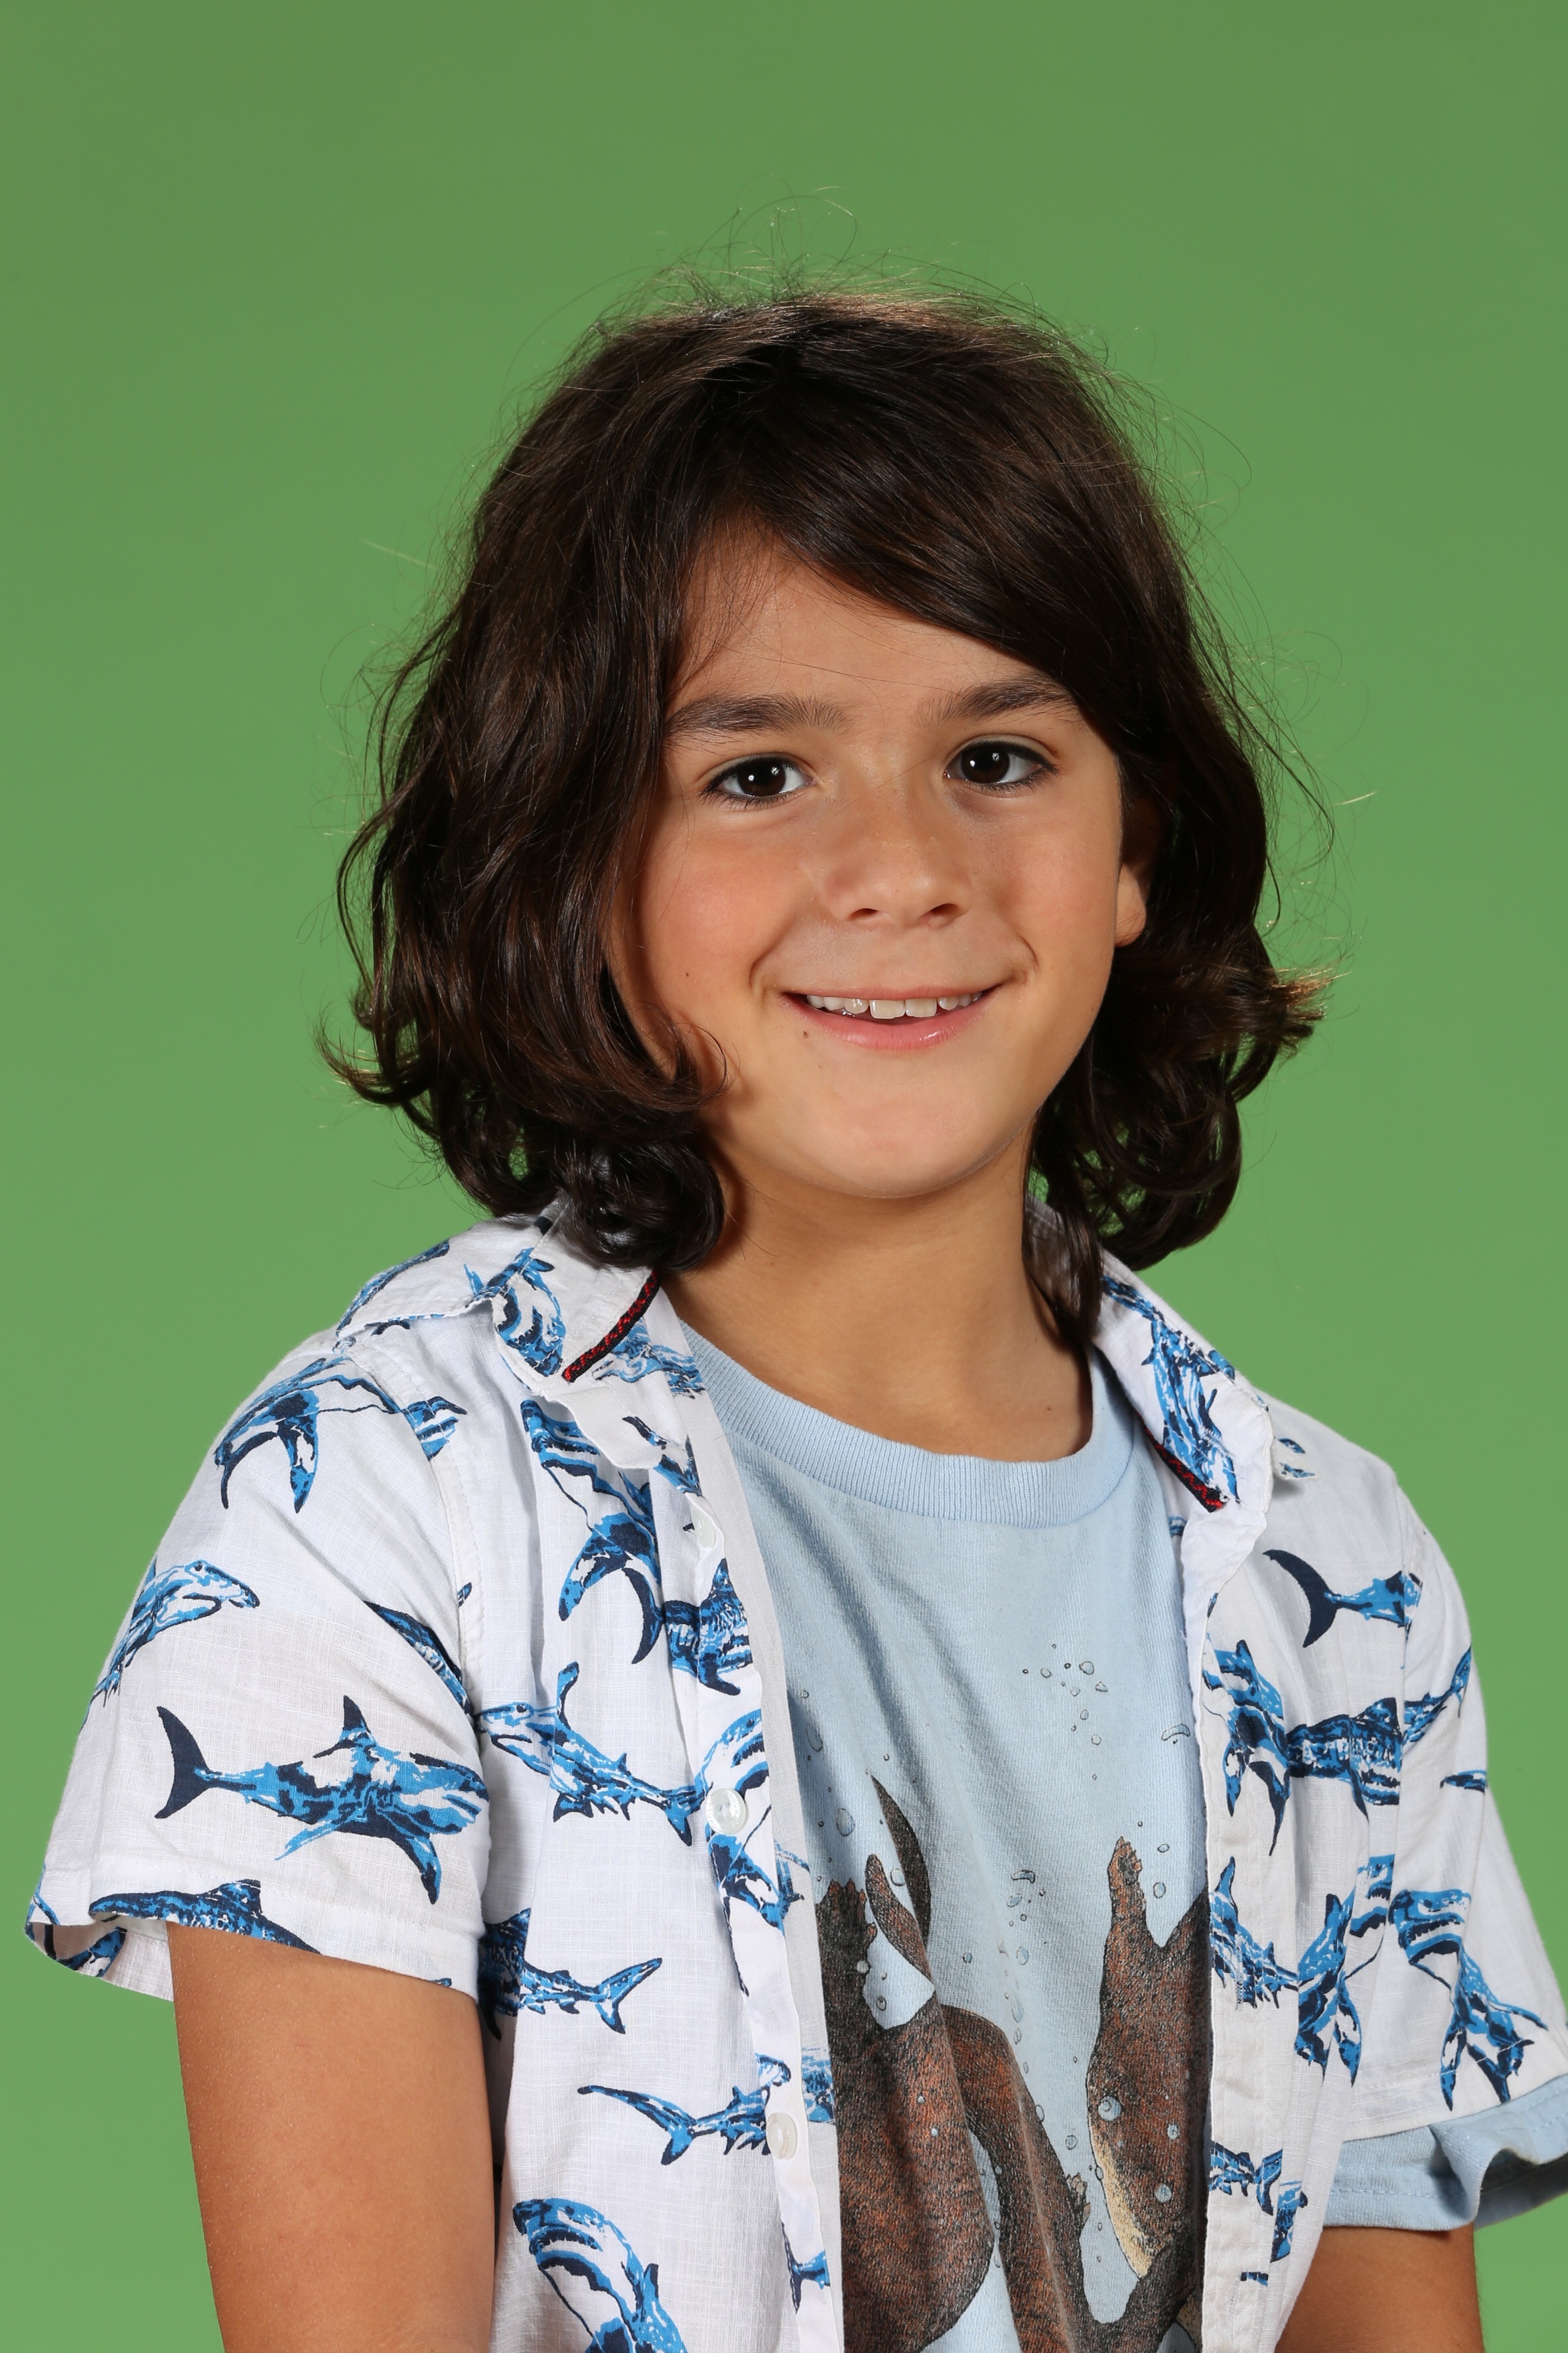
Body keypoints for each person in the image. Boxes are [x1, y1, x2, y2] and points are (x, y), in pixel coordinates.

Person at [29, 287, 1568, 2353]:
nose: (900, 866)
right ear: (579, 857)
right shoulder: (373, 1500)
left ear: (1137, 846)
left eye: (996, 757)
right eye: (757, 772)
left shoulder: (1330, 1566)